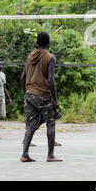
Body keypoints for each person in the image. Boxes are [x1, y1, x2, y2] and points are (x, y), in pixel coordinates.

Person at [20, 31, 62, 162]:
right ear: (48, 43)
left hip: (29, 94)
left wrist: (27, 92)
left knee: (30, 126)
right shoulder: (50, 57)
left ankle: (25, 154)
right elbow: (50, 80)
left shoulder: (30, 56)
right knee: (51, 123)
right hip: (44, 95)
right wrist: (55, 99)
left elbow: (22, 78)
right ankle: (50, 155)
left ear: (37, 43)